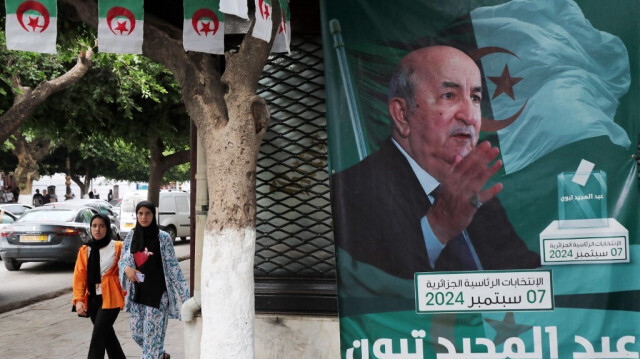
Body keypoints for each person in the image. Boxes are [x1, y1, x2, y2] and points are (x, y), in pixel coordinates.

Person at [332, 46, 540, 280]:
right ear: (402, 114)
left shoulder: (472, 191)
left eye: (475, 98)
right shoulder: (349, 193)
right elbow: (379, 298)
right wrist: (437, 226)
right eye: (449, 96)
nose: (470, 116)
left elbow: (525, 274)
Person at [118, 201, 189, 359]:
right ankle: (160, 354)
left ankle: (154, 354)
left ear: (153, 215)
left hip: (158, 296)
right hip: (138, 296)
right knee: (137, 334)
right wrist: (126, 269)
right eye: (140, 213)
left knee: (151, 341)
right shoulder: (131, 236)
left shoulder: (163, 238)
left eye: (147, 213)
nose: (144, 217)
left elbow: (173, 268)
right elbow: (122, 261)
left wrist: (186, 297)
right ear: (136, 215)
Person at [72, 213, 126, 359]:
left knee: (98, 336)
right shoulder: (85, 250)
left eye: (102, 226)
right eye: (94, 226)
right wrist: (78, 300)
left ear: (107, 228)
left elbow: (130, 266)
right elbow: (79, 277)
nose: (97, 229)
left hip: (112, 297)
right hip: (93, 299)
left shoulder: (119, 247)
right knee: (107, 336)